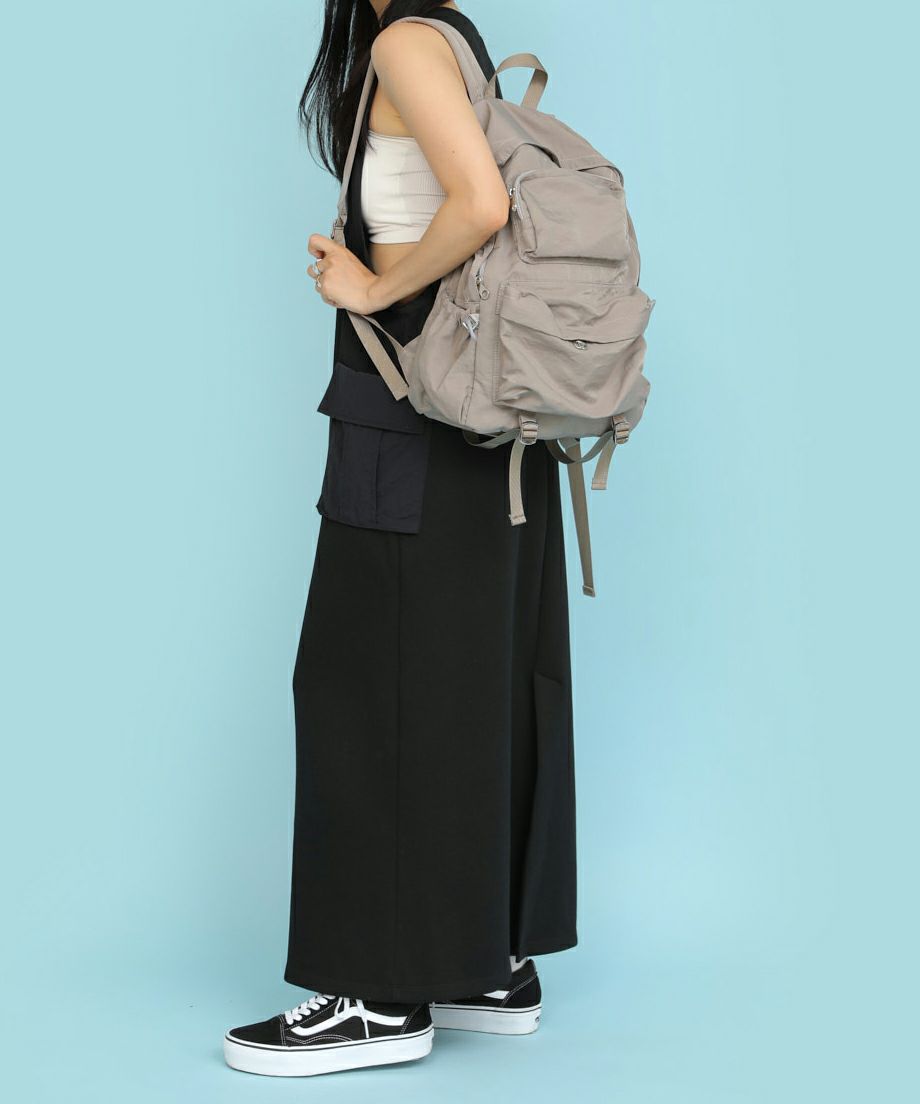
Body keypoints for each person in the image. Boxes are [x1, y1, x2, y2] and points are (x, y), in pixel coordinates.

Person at [223, 0, 578, 1078]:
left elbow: (480, 203)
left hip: (410, 421)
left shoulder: (406, 43)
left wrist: (368, 284)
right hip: (492, 430)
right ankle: (486, 961)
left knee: (361, 688)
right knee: (474, 686)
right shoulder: (455, 34)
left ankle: (378, 996)